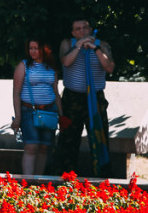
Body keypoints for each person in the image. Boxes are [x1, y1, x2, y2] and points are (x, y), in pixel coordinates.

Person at [55, 17, 115, 177]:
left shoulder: (102, 45)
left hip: (95, 98)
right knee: (68, 139)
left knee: (99, 136)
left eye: (85, 28)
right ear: (73, 32)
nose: (82, 31)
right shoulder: (67, 44)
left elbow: (109, 67)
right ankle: (65, 176)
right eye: (78, 29)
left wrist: (95, 48)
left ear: (90, 29)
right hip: (73, 98)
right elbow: (66, 62)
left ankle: (102, 176)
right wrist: (79, 45)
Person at [11, 38, 63, 176]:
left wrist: (61, 115)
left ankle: (39, 180)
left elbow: (56, 92)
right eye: (30, 48)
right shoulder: (24, 66)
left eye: (36, 48)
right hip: (29, 110)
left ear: (44, 49)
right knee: (31, 146)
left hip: (49, 111)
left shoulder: (50, 66)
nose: (33, 51)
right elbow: (16, 92)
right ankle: (28, 180)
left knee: (44, 147)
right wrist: (18, 116)